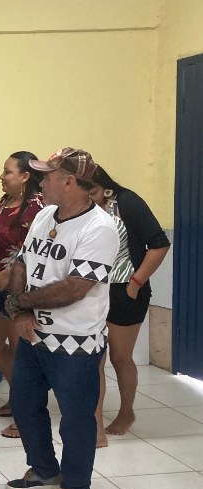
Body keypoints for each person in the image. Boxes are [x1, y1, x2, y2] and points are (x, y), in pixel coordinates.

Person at [4, 148, 118, 489]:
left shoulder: (99, 227)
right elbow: (22, 262)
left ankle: (77, 486)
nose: (40, 181)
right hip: (33, 334)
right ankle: (43, 470)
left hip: (75, 341)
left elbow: (75, 288)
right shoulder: (43, 214)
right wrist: (21, 310)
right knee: (24, 404)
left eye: (47, 175)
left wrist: (20, 302)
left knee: (76, 417)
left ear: (69, 181)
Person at [89, 166, 170, 442]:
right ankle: (95, 422)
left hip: (125, 291)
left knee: (119, 357)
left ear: (103, 185)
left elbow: (159, 244)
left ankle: (126, 412)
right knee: (94, 358)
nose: (89, 197)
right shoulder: (79, 207)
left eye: (93, 191)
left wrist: (135, 283)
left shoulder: (127, 202)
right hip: (91, 291)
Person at [0, 152, 46, 440]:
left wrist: (10, 273)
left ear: (25, 176)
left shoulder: (38, 208)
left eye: (7, 172)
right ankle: (18, 396)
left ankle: (26, 411)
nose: (2, 177)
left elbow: (36, 249)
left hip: (22, 288)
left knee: (22, 355)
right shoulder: (5, 203)